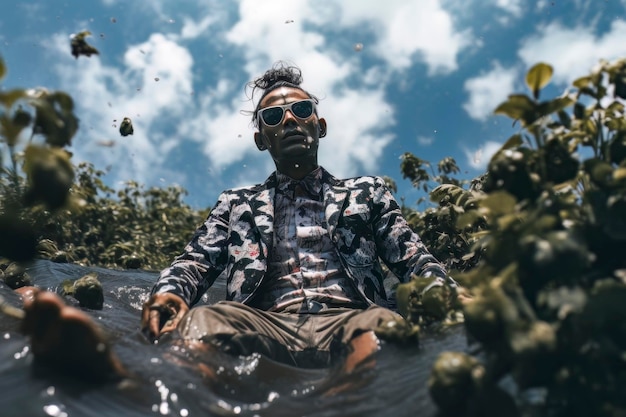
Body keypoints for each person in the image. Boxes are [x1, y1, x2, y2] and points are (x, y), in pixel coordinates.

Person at [19, 62, 458, 382]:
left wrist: (448, 293)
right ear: (260, 139)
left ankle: (345, 403)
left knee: (382, 327)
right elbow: (194, 261)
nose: (288, 119)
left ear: (320, 126)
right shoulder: (237, 203)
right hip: (264, 320)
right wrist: (170, 294)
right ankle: (126, 384)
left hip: (353, 316)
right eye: (272, 116)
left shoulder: (367, 191)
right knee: (205, 322)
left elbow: (414, 259)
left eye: (300, 110)